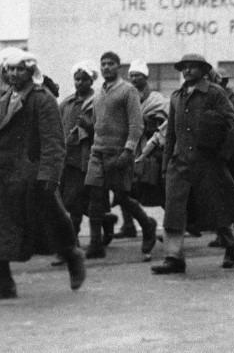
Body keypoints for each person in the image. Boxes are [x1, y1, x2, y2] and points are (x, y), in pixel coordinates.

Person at [0, 49, 85, 298]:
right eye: (9, 69)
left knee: (51, 223)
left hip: (31, 175)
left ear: (30, 70)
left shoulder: (42, 98)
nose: (14, 73)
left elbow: (54, 142)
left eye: (19, 69)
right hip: (4, 175)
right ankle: (4, 283)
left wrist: (49, 175)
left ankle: (72, 255)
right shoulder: (5, 97)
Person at [152, 54, 234, 274]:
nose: (187, 71)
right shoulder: (176, 96)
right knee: (174, 212)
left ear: (203, 70)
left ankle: (232, 243)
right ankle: (174, 258)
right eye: (184, 67)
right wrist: (166, 165)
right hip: (180, 164)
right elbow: (171, 134)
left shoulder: (214, 93)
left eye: (193, 67)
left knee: (216, 211)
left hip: (207, 164)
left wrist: (223, 155)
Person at [84, 51, 157, 260]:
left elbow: (137, 124)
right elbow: (97, 122)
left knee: (122, 196)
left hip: (118, 153)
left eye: (110, 64)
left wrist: (128, 150)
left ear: (118, 67)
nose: (106, 67)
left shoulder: (128, 91)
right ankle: (95, 244)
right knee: (95, 197)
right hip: (97, 151)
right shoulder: (98, 93)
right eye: (103, 64)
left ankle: (147, 225)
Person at [116, 60, 168, 238]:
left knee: (156, 188)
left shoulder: (156, 98)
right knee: (124, 187)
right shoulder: (127, 96)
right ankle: (128, 225)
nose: (134, 78)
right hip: (130, 146)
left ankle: (175, 223)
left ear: (145, 77)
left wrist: (146, 121)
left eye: (137, 75)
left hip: (150, 148)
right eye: (131, 75)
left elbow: (163, 121)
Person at [57, 61, 98, 245]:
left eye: (84, 79)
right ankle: (106, 222)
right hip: (66, 159)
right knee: (71, 201)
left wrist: (89, 127)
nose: (79, 83)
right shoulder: (66, 103)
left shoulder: (97, 102)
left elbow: (103, 129)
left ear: (91, 81)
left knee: (74, 202)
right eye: (77, 79)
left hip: (85, 160)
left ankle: (70, 244)